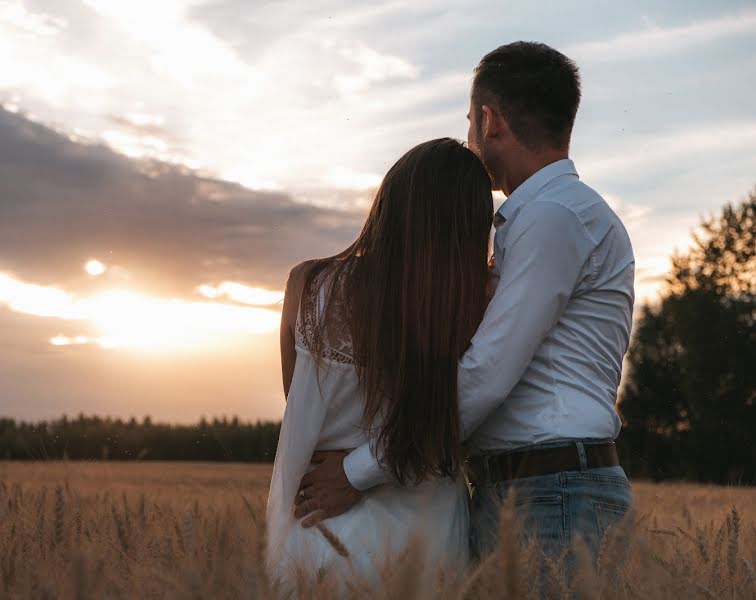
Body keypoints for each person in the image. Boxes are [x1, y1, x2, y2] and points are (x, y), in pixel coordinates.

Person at [294, 41, 636, 564]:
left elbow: (486, 373)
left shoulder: (553, 217)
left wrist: (357, 471)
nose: (470, 138)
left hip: (551, 492)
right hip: (539, 488)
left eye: (469, 123)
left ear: (488, 119)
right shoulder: (548, 216)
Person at [266, 138, 494, 591]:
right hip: (428, 540)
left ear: (389, 202)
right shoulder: (477, 301)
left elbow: (299, 403)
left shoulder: (307, 286)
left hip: (322, 532)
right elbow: (470, 415)